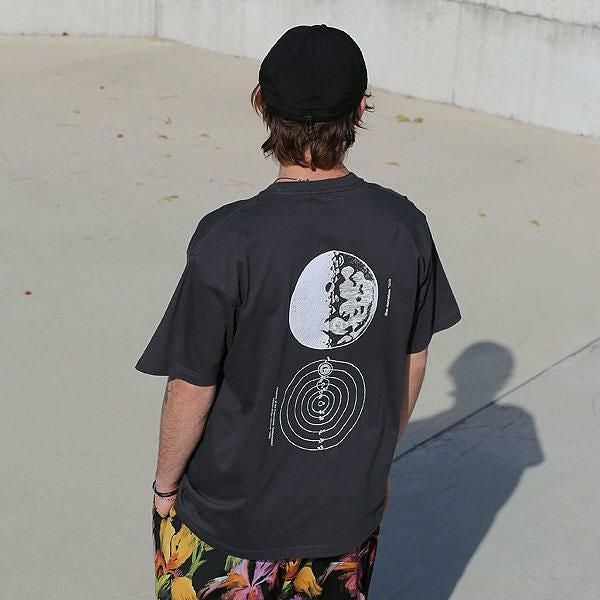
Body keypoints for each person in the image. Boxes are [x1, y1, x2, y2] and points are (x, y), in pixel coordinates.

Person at [135, 23, 462, 600]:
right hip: (345, 516)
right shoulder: (403, 226)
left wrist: (165, 487)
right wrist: (375, 466)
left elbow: (192, 384)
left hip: (230, 525)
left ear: (261, 103)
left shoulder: (229, 239)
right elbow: (411, 360)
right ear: (360, 108)